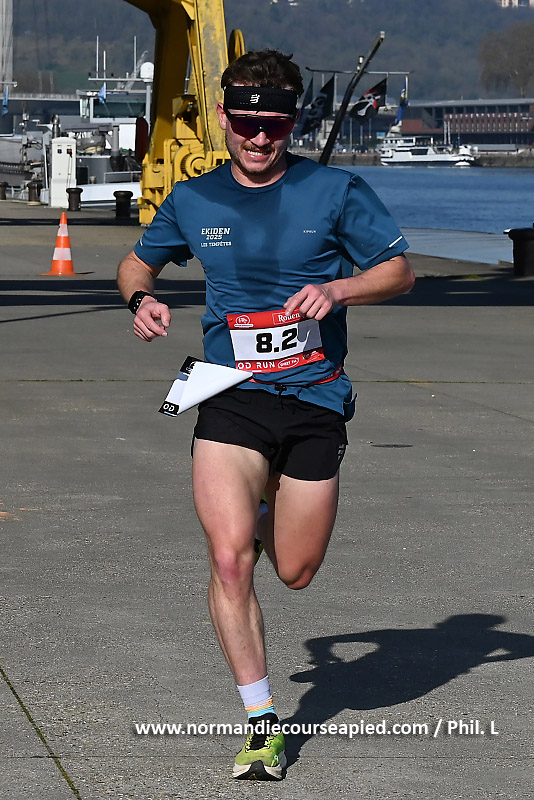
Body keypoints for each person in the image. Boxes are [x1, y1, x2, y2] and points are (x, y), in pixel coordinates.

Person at [117, 49, 415, 781]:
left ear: (294, 122)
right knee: (228, 559)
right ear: (223, 117)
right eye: (246, 123)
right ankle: (261, 722)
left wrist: (339, 292)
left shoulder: (335, 190)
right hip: (230, 393)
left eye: (274, 126)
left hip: (314, 398)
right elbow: (135, 263)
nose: (258, 138)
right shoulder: (195, 198)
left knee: (296, 570)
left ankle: (257, 514)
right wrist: (141, 299)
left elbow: (399, 271)